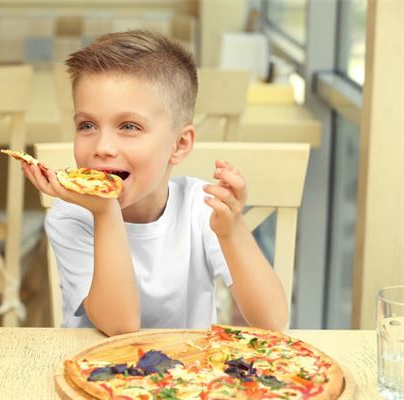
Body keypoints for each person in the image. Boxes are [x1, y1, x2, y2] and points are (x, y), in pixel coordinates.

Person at [22, 30, 288, 336]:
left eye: (129, 126)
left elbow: (272, 321)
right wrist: (105, 212)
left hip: (188, 376)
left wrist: (232, 230)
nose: (102, 146)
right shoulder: (71, 216)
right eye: (87, 125)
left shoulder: (199, 209)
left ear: (179, 145)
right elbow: (120, 327)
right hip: (95, 371)